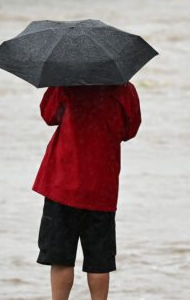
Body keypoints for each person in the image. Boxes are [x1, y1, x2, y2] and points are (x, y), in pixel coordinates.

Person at [33, 83, 141, 300]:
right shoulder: (123, 88)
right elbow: (130, 130)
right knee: (99, 262)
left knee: (61, 258)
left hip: (63, 183)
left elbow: (49, 115)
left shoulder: (65, 83)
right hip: (101, 185)